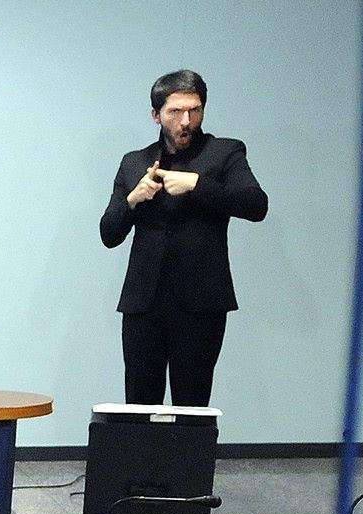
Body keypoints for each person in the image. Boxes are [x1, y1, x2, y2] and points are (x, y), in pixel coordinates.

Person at [100, 70, 268, 407]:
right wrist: (133, 199)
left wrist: (197, 184)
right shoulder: (135, 162)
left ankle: (188, 463)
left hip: (201, 304)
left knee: (192, 408)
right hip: (143, 304)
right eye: (175, 112)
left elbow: (256, 205)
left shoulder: (225, 153)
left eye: (195, 110)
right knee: (138, 405)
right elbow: (109, 233)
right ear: (156, 115)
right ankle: (142, 463)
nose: (186, 121)